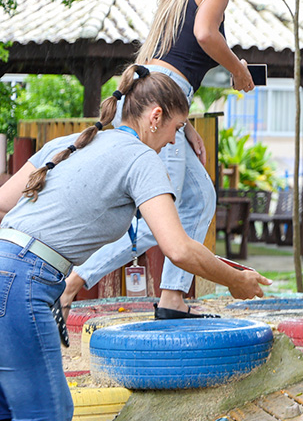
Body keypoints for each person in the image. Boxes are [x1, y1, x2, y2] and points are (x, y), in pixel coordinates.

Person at [0, 64, 270, 421]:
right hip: (25, 282)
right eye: (176, 128)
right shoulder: (141, 158)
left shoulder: (69, 143)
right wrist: (235, 280)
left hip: (12, 268)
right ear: (156, 117)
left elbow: (4, 201)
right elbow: (178, 248)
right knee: (47, 411)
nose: (175, 140)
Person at [60, 0, 257, 320]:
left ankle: (172, 297)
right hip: (160, 102)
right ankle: (76, 279)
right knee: (159, 218)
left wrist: (183, 124)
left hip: (155, 99)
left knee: (199, 201)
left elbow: (164, 62)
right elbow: (204, 35)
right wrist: (238, 68)